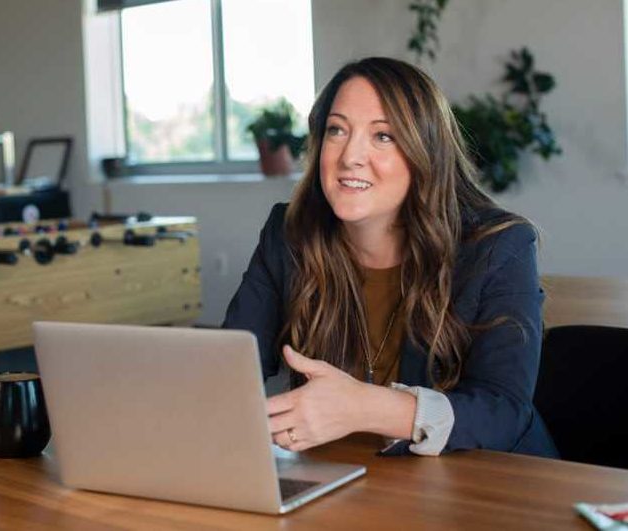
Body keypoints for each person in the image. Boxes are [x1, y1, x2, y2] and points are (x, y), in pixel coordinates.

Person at [223, 57, 558, 458]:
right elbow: (230, 368)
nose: (350, 156)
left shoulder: (497, 246)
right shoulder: (289, 232)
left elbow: (504, 413)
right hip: (348, 479)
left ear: (425, 152)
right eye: (337, 130)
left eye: (383, 136)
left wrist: (365, 408)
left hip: (485, 483)